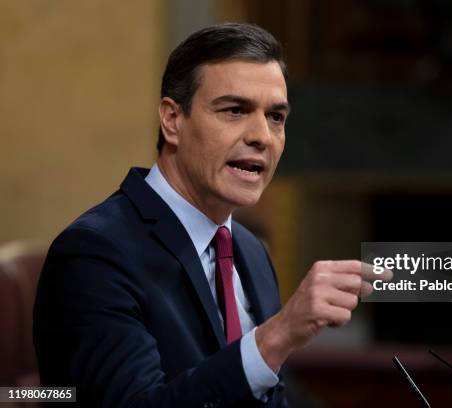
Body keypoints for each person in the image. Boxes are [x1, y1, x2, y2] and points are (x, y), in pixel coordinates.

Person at [33, 23, 383, 407]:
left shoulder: (249, 251)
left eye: (276, 117)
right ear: (172, 120)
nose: (262, 136)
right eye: (235, 110)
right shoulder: (96, 253)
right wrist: (276, 336)